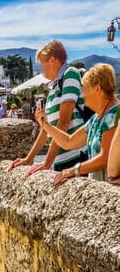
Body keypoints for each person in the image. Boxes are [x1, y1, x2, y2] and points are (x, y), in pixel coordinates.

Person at [12, 40, 87, 175]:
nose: (42, 69)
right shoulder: (54, 88)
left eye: (42, 64)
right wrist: (29, 159)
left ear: (52, 60)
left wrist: (46, 163)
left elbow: (64, 122)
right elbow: (47, 129)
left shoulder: (70, 74)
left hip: (75, 157)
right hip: (61, 160)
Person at [38, 65, 120, 185]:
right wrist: (44, 124)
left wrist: (74, 170)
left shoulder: (113, 116)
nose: (82, 94)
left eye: (85, 89)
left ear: (97, 89)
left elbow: (105, 158)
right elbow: (69, 142)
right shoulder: (96, 118)